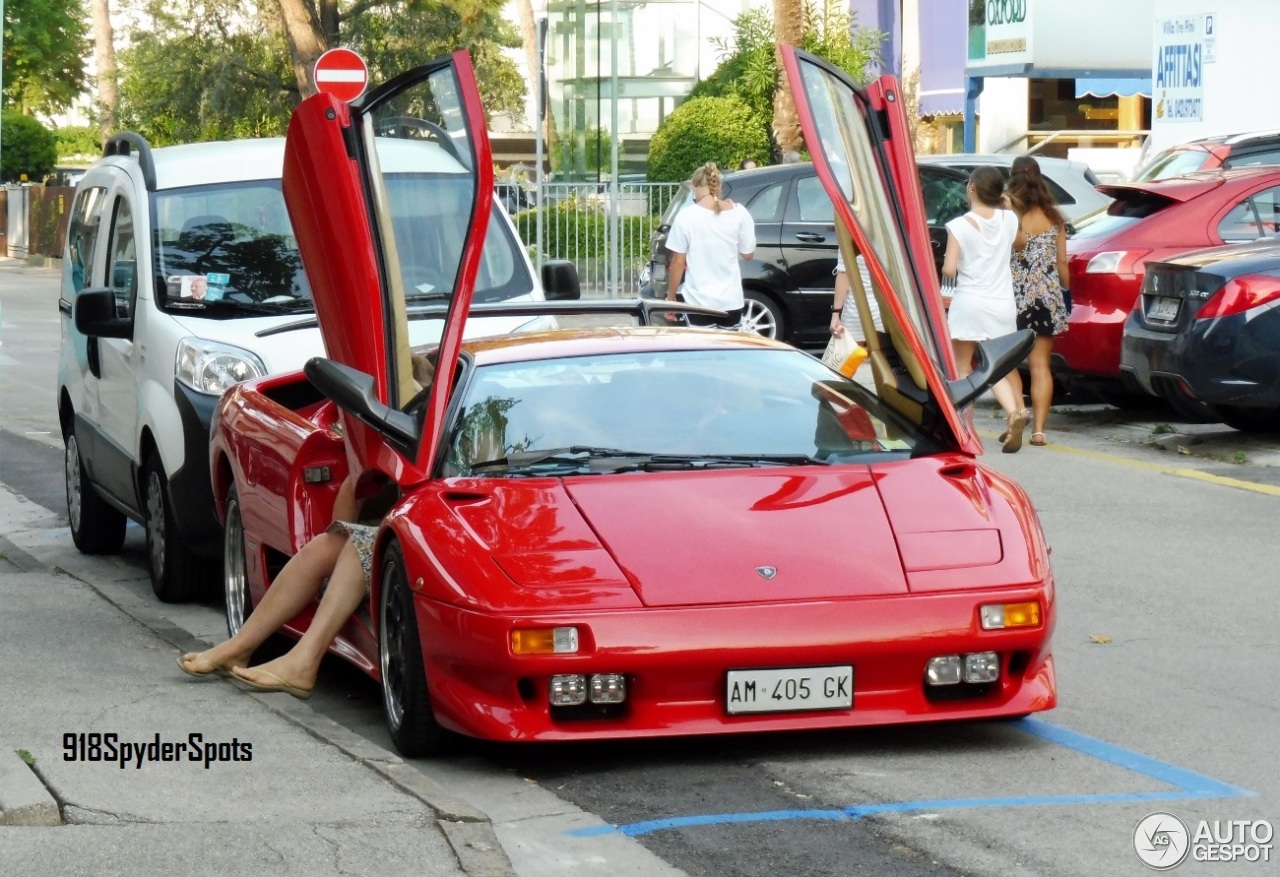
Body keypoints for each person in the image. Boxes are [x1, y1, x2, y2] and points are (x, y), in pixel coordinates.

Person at [177, 354, 435, 699]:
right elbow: (341, 522)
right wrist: (364, 465)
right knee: (332, 543)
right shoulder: (427, 434)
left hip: (439, 540)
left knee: (363, 543)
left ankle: (304, 660)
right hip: (407, 534)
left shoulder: (467, 432)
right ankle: (240, 646)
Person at [941, 166, 1028, 453]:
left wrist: (944, 293)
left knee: (962, 367)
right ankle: (1014, 412)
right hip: (1002, 304)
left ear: (972, 189)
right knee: (996, 368)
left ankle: (964, 427)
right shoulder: (1009, 219)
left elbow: (950, 268)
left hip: (969, 302)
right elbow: (1020, 244)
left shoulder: (960, 225)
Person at [1007, 156, 1070, 447]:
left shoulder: (1006, 213)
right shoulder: (1055, 218)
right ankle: (1040, 431)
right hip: (1046, 296)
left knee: (1006, 363)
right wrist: (1065, 292)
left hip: (1012, 295)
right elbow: (1062, 262)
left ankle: (1018, 413)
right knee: (1040, 365)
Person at [665, 162, 756, 328]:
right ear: (719, 186)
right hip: (731, 300)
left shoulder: (686, 216)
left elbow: (678, 263)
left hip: (698, 302)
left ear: (695, 186)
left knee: (702, 352)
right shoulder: (739, 213)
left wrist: (671, 298)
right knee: (728, 351)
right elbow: (748, 255)